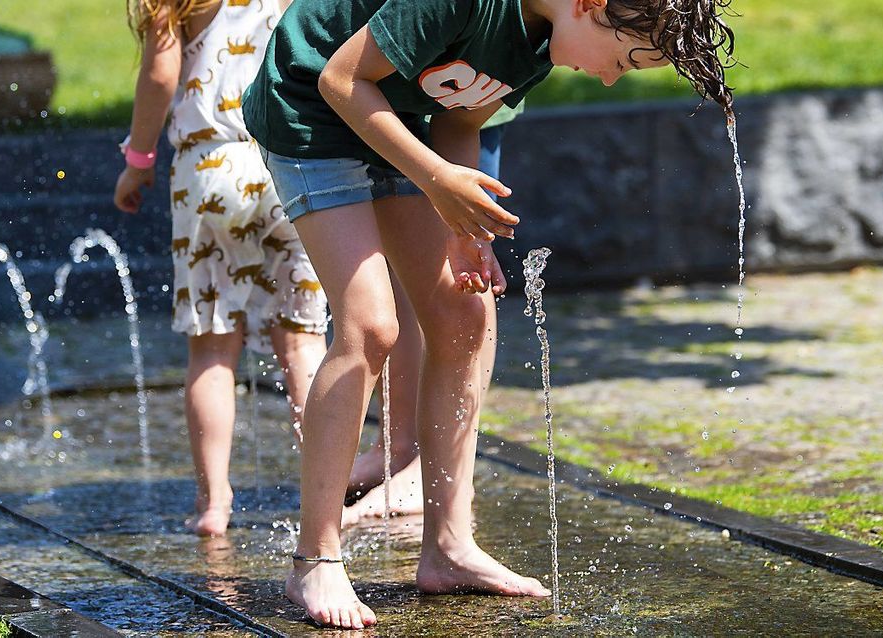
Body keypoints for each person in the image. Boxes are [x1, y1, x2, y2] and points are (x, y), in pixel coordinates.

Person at [242, 0, 735, 628]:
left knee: (466, 314)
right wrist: (438, 182)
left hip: (400, 117)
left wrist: (463, 227)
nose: (610, 79)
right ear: (591, 5)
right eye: (621, 59)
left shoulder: (538, 41)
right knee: (370, 325)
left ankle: (448, 546)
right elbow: (341, 79)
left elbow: (457, 118)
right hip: (310, 107)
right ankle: (314, 559)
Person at [113, 0, 328, 538]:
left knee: (212, 345)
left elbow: (161, 74)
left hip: (210, 169)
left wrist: (137, 162)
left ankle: (215, 502)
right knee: (303, 342)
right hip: (291, 161)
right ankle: (324, 499)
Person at [342, 107, 521, 526]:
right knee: (402, 265)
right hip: (409, 95)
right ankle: (399, 446)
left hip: (459, 98)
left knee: (463, 263)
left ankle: (448, 471)